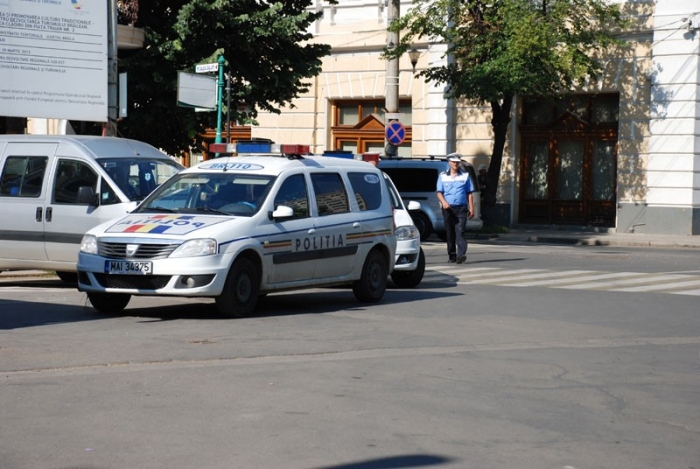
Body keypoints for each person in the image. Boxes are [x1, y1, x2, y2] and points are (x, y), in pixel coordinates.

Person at [436, 153, 476, 264]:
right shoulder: (443, 176)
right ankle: (452, 255)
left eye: (457, 162)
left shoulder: (465, 175)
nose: (455, 164)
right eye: (453, 162)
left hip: (461, 208)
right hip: (448, 209)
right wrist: (444, 202)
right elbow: (439, 192)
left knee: (460, 231)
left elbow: (469, 193)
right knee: (449, 233)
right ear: (449, 162)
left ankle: (461, 255)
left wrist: (472, 208)